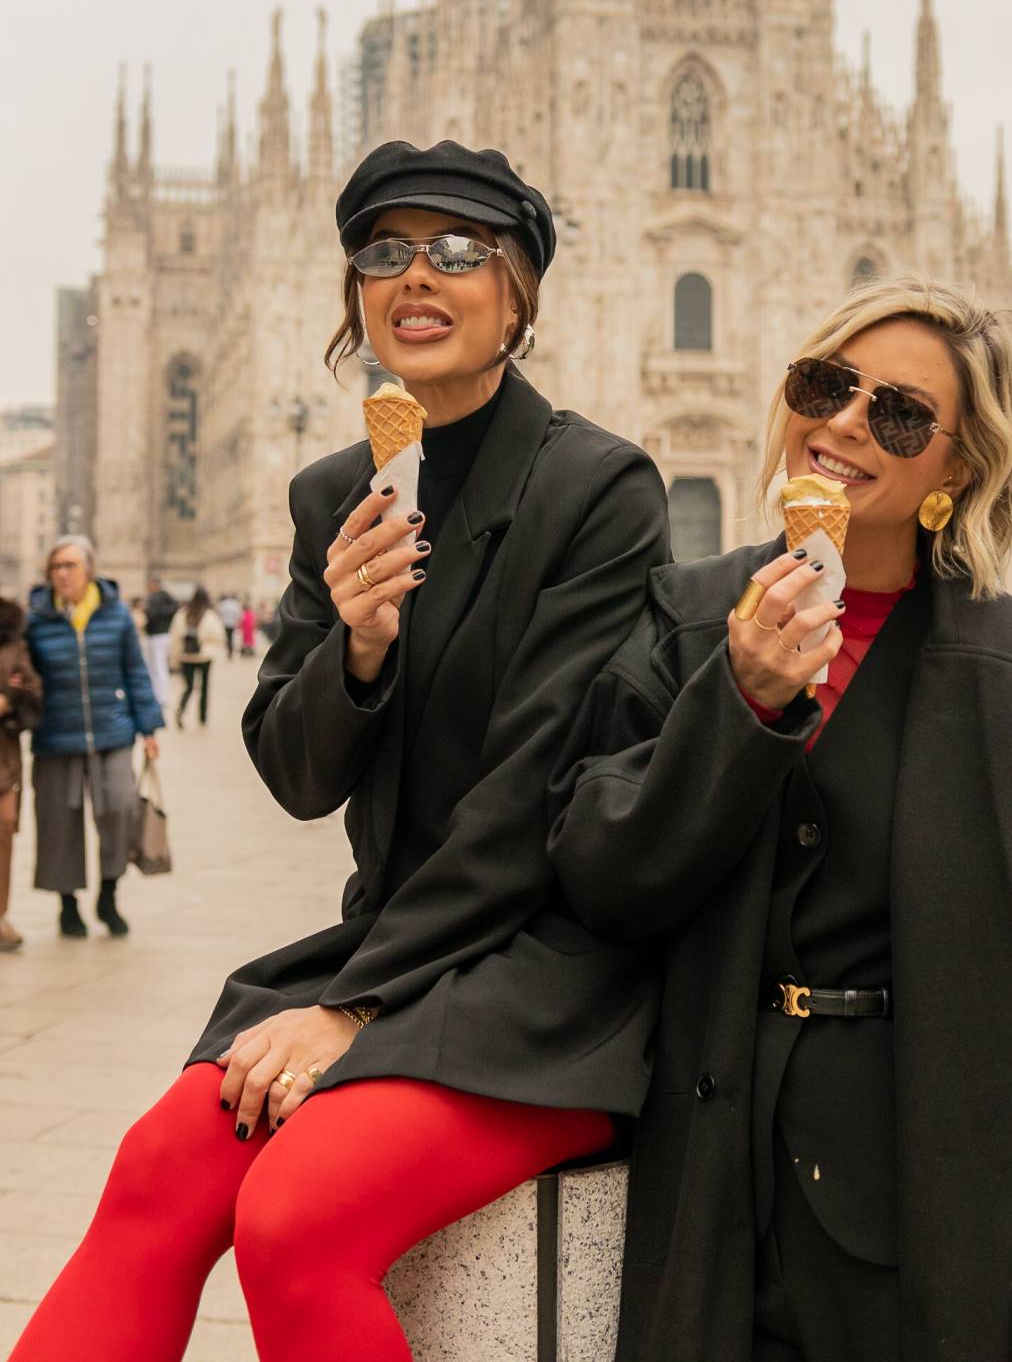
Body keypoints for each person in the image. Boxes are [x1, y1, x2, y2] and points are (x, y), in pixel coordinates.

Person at [12, 138, 670, 1361]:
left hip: (546, 973)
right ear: (355, 292)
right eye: (384, 250)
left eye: (459, 250)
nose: (416, 274)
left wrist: (356, 1004)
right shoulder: (340, 492)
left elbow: (540, 787)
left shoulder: (600, 488)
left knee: (298, 1211)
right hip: (393, 946)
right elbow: (296, 773)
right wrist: (359, 647)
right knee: (159, 1168)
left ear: (518, 289)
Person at [549, 277, 1012, 1362]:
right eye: (826, 384)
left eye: (898, 413)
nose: (841, 422)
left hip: (922, 1215)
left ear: (957, 468)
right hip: (710, 1200)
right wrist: (735, 703)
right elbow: (597, 873)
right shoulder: (687, 622)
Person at [23, 537, 164, 939]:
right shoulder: (36, 619)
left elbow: (136, 672)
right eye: (55, 567)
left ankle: (108, 894)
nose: (61, 574)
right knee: (57, 822)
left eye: (69, 566)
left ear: (89, 570)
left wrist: (148, 728)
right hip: (55, 737)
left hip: (112, 731)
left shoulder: (115, 614)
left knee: (119, 810)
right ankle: (67, 905)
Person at [0, 597, 42, 952]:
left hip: (3, 756)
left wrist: (10, 699)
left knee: (4, 828)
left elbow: (33, 689)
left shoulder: (11, 635)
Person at [168, 588, 226, 729]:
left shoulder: (182, 615)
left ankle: (180, 711)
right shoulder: (210, 616)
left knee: (188, 687)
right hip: (204, 657)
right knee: (204, 688)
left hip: (186, 656)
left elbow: (175, 638)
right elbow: (219, 637)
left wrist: (173, 660)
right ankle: (202, 718)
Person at [142, 576, 179, 710]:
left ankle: (161, 697)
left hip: (158, 636)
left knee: (159, 667)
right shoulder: (164, 597)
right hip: (160, 635)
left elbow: (152, 614)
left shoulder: (157, 598)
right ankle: (158, 695)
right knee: (156, 667)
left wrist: (157, 615)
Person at [215, 591, 242, 660]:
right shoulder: (235, 604)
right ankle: (230, 651)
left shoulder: (223, 604)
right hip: (232, 623)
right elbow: (238, 614)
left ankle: (229, 652)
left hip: (226, 623)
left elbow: (220, 613)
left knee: (228, 637)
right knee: (231, 637)